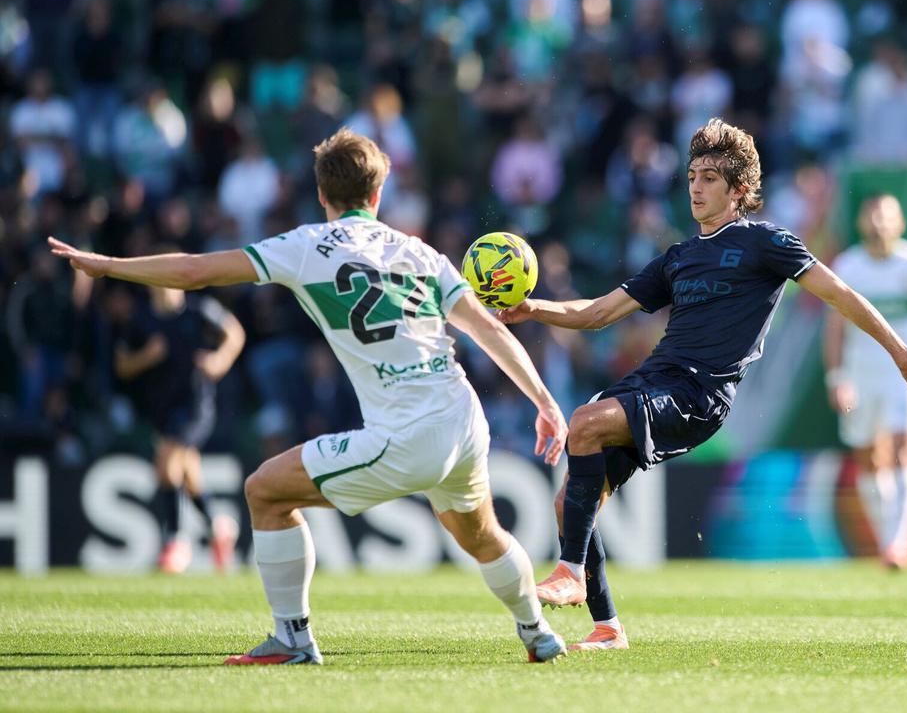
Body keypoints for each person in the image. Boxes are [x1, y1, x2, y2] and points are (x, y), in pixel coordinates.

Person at [49, 128, 570, 665]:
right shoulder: (421, 252)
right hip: (463, 420)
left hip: (407, 435)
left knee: (265, 492)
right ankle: (538, 633)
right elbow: (492, 331)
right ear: (377, 195)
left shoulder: (302, 247)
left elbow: (192, 271)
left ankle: (293, 638)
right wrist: (546, 403)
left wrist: (107, 265)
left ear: (322, 194)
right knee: (482, 534)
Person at [498, 118, 907, 650]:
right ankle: (608, 626)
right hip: (655, 380)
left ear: (739, 190)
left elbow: (842, 295)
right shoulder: (678, 257)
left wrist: (903, 354)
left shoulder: (767, 243)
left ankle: (569, 570)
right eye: (691, 177)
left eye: (709, 178)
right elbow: (596, 313)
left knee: (584, 425)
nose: (696, 188)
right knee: (570, 499)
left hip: (700, 394)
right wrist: (531, 308)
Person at [824, 195, 907, 569]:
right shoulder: (848, 265)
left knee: (903, 451)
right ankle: (889, 538)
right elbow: (834, 328)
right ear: (862, 223)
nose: (879, 224)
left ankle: (897, 544)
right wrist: (837, 377)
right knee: (869, 459)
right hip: (860, 374)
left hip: (906, 376)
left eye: (887, 217)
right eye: (873, 216)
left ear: (900, 223)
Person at [113, 273, 245, 574]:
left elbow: (235, 333)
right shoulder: (141, 320)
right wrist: (147, 356)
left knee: (167, 461)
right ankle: (218, 526)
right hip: (161, 407)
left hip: (195, 406)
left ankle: (175, 541)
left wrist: (219, 360)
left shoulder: (199, 311)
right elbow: (122, 366)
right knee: (186, 471)